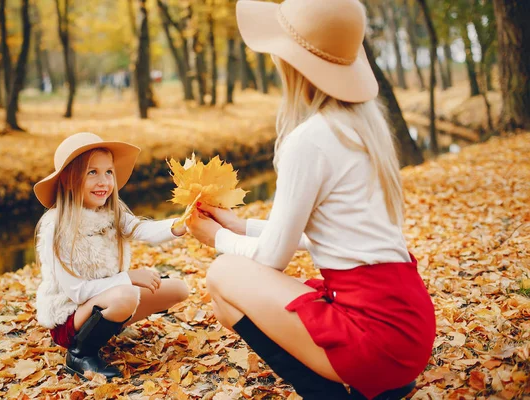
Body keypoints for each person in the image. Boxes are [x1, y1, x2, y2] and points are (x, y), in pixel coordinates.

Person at [186, 0, 436, 399]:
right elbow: (329, 236)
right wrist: (240, 226)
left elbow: (272, 260)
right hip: (409, 328)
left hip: (374, 337)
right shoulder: (363, 128)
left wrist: (214, 239)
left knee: (222, 275)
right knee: (229, 291)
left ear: (292, 63)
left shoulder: (310, 139)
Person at [33, 132, 189, 380]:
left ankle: (108, 324)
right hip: (70, 320)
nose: (103, 181)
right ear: (69, 179)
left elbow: (142, 229)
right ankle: (80, 355)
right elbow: (78, 293)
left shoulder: (110, 212)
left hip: (107, 299)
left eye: (109, 172)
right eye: (91, 172)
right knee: (126, 295)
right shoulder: (59, 228)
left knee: (179, 288)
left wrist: (180, 225)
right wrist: (128, 277)